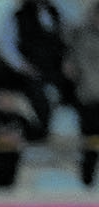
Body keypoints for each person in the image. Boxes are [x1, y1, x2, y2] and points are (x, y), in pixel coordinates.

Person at [68, 0, 99, 186]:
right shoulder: (80, 36)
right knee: (90, 144)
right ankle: (86, 184)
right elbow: (70, 66)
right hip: (88, 97)